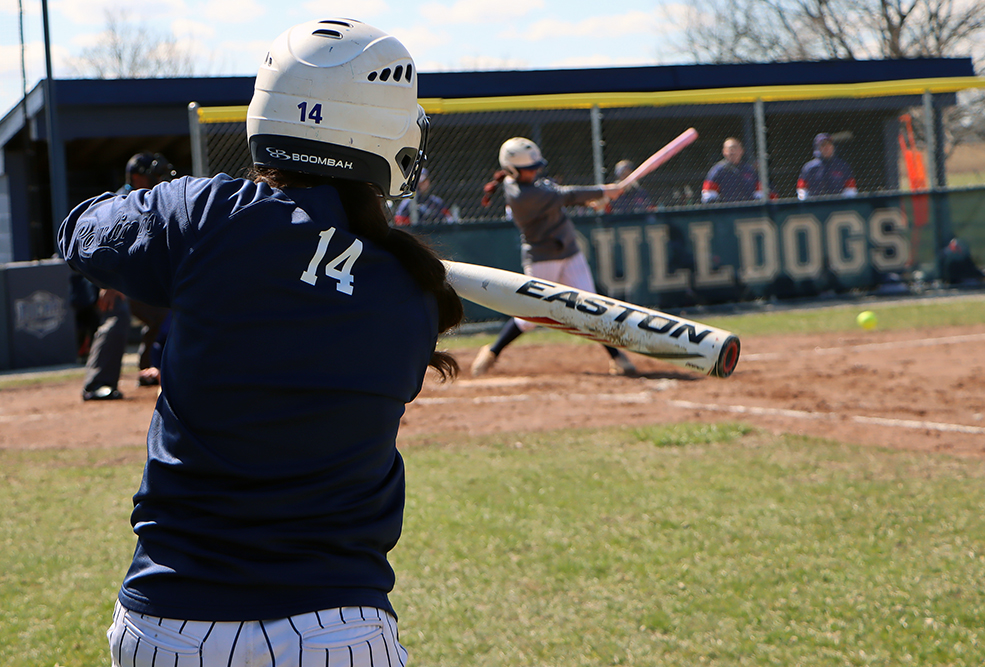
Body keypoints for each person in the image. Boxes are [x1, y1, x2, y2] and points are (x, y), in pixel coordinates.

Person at [59, 18, 462, 667]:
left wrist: (164, 204)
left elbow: (81, 232)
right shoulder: (413, 292)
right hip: (338, 624)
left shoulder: (204, 215)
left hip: (169, 621)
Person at [474, 137, 637, 377]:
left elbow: (556, 195)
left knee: (591, 306)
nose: (535, 171)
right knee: (530, 318)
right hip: (542, 258)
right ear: (512, 170)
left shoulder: (534, 186)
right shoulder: (519, 194)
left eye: (535, 167)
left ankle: (616, 358)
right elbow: (564, 196)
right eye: (528, 169)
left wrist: (594, 199)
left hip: (569, 251)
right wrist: (605, 191)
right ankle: (492, 351)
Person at [78, 152, 176, 400]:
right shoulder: (119, 200)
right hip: (102, 280)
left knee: (164, 315)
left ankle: (149, 370)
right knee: (118, 316)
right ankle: (97, 384)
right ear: (135, 177)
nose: (157, 180)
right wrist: (109, 281)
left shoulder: (157, 200)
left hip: (130, 281)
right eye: (152, 176)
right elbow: (103, 246)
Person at [701, 137, 764, 203]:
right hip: (726, 211)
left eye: (735, 148)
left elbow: (760, 192)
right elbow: (708, 195)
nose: (732, 151)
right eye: (729, 149)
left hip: (748, 210)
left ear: (741, 151)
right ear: (724, 152)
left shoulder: (750, 170)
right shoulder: (717, 171)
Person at [797, 133, 858, 199]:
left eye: (829, 144)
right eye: (823, 145)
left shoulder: (843, 166)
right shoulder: (809, 168)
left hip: (839, 204)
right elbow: (802, 189)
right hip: (815, 205)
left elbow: (851, 188)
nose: (827, 148)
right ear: (817, 148)